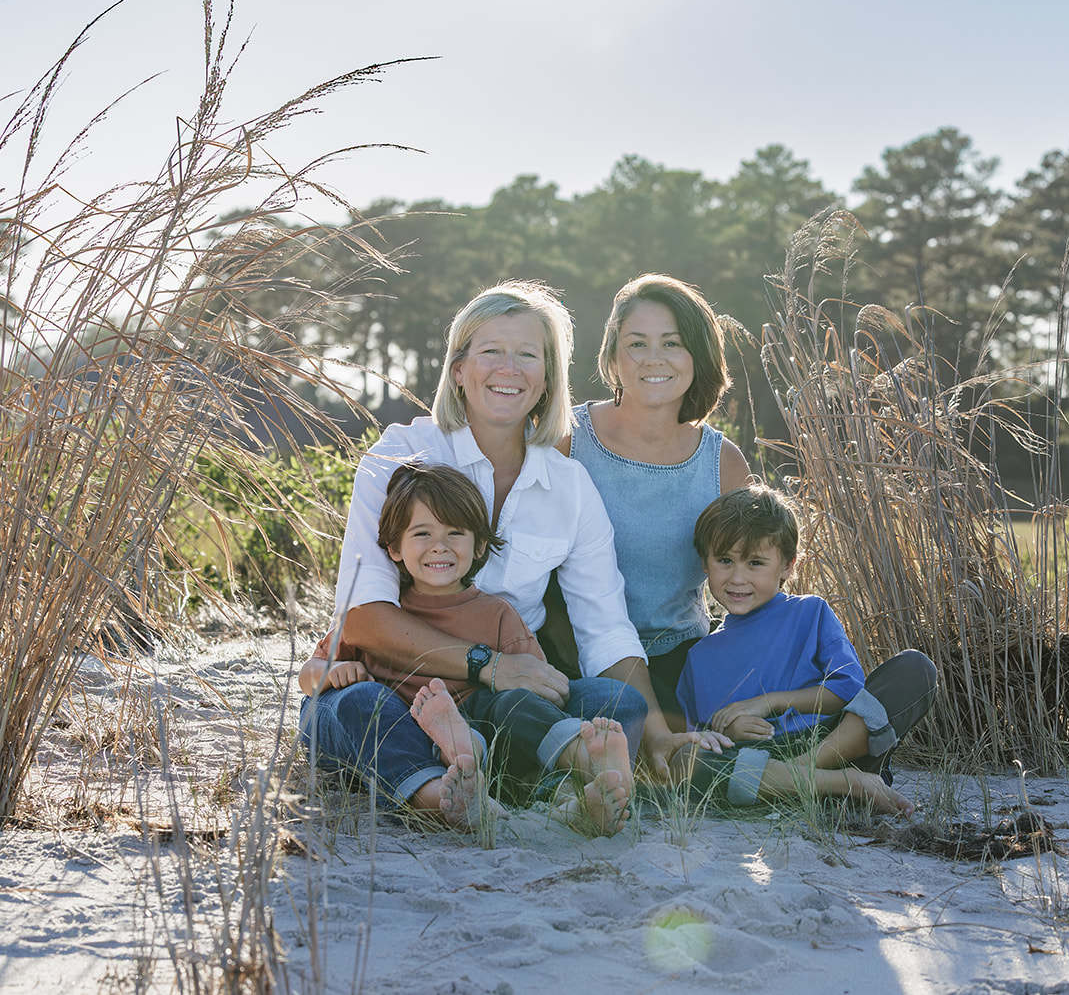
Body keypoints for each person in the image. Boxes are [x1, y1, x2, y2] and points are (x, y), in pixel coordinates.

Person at [300, 280, 693, 825]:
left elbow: (605, 628)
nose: (508, 369)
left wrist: (657, 732)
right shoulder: (399, 456)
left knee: (616, 703)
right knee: (352, 707)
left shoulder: (570, 486)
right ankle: (441, 797)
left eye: (527, 354)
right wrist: (490, 665)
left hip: (499, 708)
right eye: (491, 351)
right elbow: (363, 617)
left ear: (547, 378)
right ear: (459, 369)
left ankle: (542, 789)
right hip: (398, 697)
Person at [301, 462, 633, 834]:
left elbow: (539, 688)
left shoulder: (497, 614)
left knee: (514, 705)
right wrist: (332, 671)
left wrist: (519, 703)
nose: (439, 546)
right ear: (394, 547)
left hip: (483, 738)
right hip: (402, 733)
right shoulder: (383, 613)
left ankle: (582, 776)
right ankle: (446, 794)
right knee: (368, 704)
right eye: (422, 533)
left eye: (455, 533)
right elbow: (307, 677)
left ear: (479, 546)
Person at [671, 484, 939, 815]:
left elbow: (848, 690)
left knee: (915, 668)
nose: (737, 578)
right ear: (705, 563)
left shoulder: (810, 613)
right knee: (686, 759)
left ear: (787, 565)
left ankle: (804, 776)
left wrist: (771, 702)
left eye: (755, 563)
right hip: (760, 758)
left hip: (832, 743)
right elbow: (698, 735)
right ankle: (842, 786)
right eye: (725, 560)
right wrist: (726, 730)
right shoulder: (699, 656)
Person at [561, 274, 750, 725]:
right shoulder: (567, 439)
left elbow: (753, 576)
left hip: (681, 654)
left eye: (672, 343)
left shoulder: (723, 463)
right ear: (613, 356)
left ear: (698, 354)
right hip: (575, 654)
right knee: (674, 733)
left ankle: (855, 727)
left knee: (741, 717)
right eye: (636, 344)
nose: (653, 359)